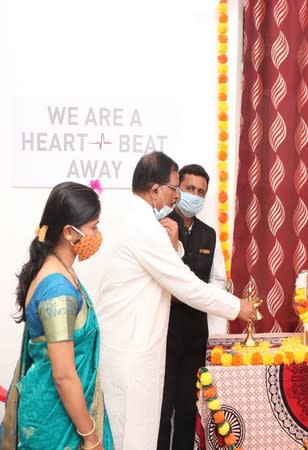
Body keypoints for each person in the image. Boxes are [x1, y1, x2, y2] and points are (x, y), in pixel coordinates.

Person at [95, 152, 256, 450]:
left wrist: (176, 248)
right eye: (175, 188)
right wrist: (237, 307)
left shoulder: (140, 220)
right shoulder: (144, 226)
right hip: (132, 350)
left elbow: (175, 274)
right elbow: (186, 286)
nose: (178, 196)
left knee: (156, 423)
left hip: (143, 345)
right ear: (155, 189)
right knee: (130, 435)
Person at [0, 182, 113, 450]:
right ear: (68, 232)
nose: (97, 234)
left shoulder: (58, 270)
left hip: (60, 411)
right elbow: (63, 375)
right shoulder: (57, 290)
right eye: (93, 226)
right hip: (56, 423)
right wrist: (90, 436)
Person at [157, 164, 228, 450]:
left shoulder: (209, 235)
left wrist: (205, 295)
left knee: (188, 408)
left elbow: (219, 281)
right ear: (177, 190)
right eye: (189, 189)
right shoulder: (160, 225)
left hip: (195, 336)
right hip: (163, 333)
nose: (195, 196)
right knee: (162, 409)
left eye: (201, 192)